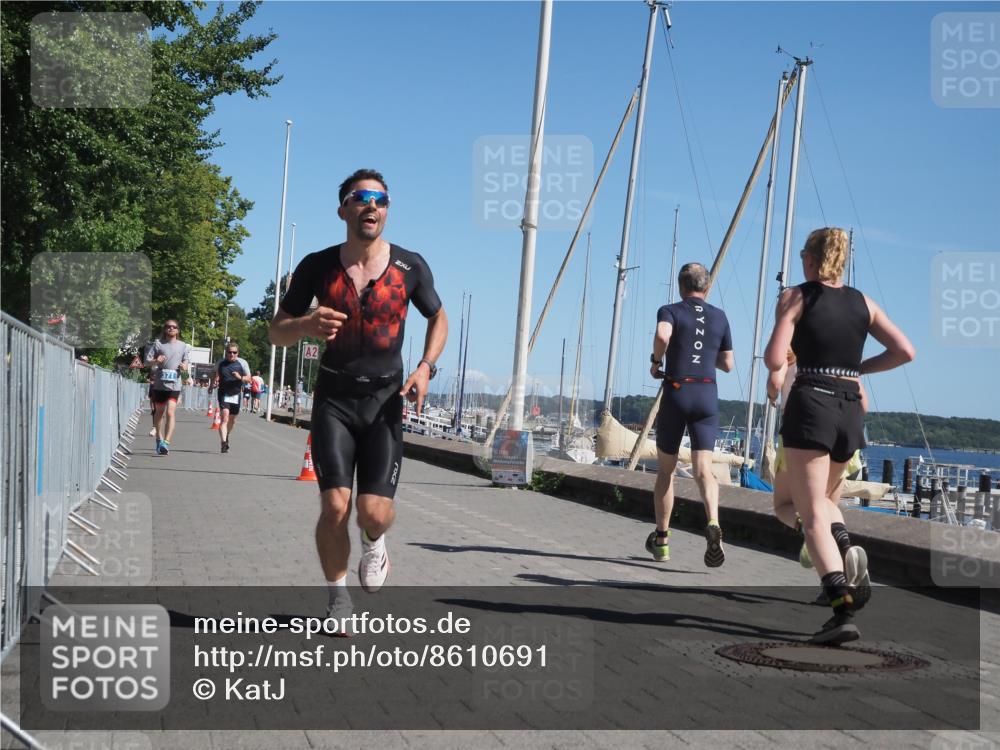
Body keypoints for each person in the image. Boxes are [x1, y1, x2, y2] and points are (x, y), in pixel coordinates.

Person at [268, 168, 448, 624]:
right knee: (334, 505)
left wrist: (426, 367)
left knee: (373, 513)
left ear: (387, 210)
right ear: (343, 208)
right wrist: (306, 325)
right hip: (333, 399)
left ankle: (374, 542)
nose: (372, 205)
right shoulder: (317, 266)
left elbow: (438, 317)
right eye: (361, 197)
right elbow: (276, 332)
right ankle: (338, 600)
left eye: (381, 200)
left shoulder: (410, 266)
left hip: (385, 402)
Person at [764, 227, 914, 645]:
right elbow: (905, 351)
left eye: (801, 256)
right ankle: (844, 544)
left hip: (811, 403)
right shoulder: (863, 302)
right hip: (849, 406)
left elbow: (775, 358)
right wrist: (857, 369)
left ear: (811, 259)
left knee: (809, 512)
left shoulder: (796, 296)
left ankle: (841, 608)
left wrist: (784, 323)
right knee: (826, 501)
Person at [647, 262, 734, 567]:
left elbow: (662, 334)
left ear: (681, 286)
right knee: (703, 471)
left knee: (666, 471)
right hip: (707, 394)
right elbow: (728, 364)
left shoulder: (670, 310)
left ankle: (662, 541)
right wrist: (706, 352)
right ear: (706, 287)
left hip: (678, 392)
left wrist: (656, 361)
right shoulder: (720, 316)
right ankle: (712, 521)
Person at [768, 347, 871, 607]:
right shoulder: (838, 359)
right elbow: (864, 404)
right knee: (827, 506)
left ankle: (820, 536)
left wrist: (772, 395)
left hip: (801, 435)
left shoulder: (790, 358)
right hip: (846, 431)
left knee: (786, 507)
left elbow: (775, 382)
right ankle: (843, 554)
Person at [144, 319, 191, 455]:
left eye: (174, 327)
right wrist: (155, 361)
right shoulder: (158, 344)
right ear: (164, 329)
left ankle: (166, 443)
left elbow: (186, 362)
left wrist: (184, 367)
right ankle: (159, 438)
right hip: (159, 384)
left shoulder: (183, 346)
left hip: (174, 385)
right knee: (159, 413)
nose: (171, 329)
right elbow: (147, 361)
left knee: (170, 412)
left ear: (178, 330)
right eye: (168, 327)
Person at [211, 342, 252, 453]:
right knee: (225, 418)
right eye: (230, 352)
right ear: (226, 352)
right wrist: (212, 384)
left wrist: (240, 377)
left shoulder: (242, 363)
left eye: (234, 352)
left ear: (238, 353)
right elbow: (214, 372)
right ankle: (224, 443)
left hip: (236, 394)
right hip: (223, 393)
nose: (232, 354)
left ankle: (227, 435)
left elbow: (249, 379)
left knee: (232, 420)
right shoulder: (221, 362)